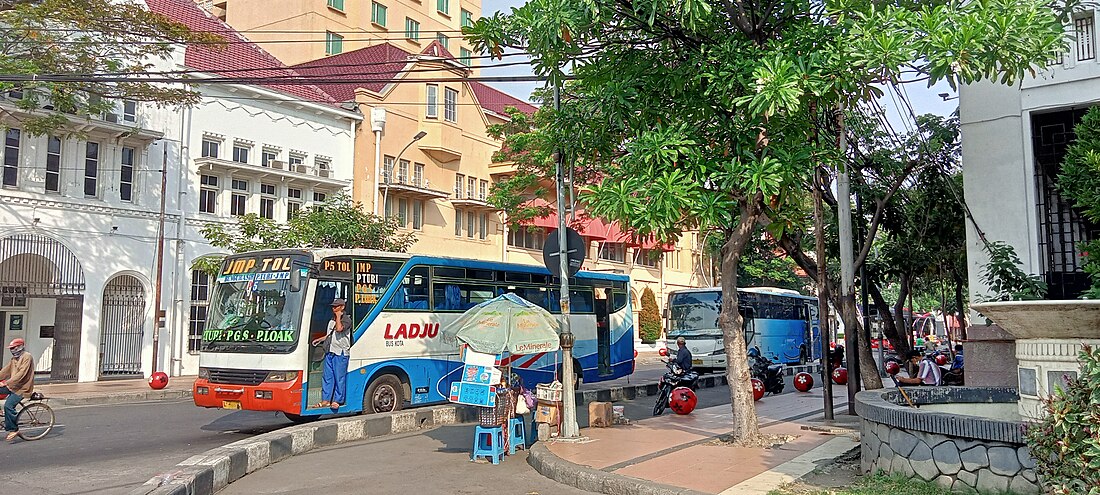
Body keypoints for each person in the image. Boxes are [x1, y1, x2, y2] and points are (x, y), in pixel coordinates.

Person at [311, 298, 352, 409]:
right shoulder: (331, 320)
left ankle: (338, 400)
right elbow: (330, 334)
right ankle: (326, 400)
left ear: (342, 307)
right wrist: (320, 339)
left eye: (336, 306)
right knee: (328, 377)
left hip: (341, 352)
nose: (334, 309)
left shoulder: (347, 320)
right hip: (330, 351)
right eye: (333, 307)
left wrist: (339, 317)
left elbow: (339, 329)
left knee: (339, 377)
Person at [0, 338, 34, 441]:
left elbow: (21, 374)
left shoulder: (27, 357)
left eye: (14, 348)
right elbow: (5, 371)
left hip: (22, 389)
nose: (12, 350)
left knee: (8, 406)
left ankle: (14, 429)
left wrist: (6, 382)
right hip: (12, 386)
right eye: (11, 348)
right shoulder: (14, 359)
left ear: (20, 347)